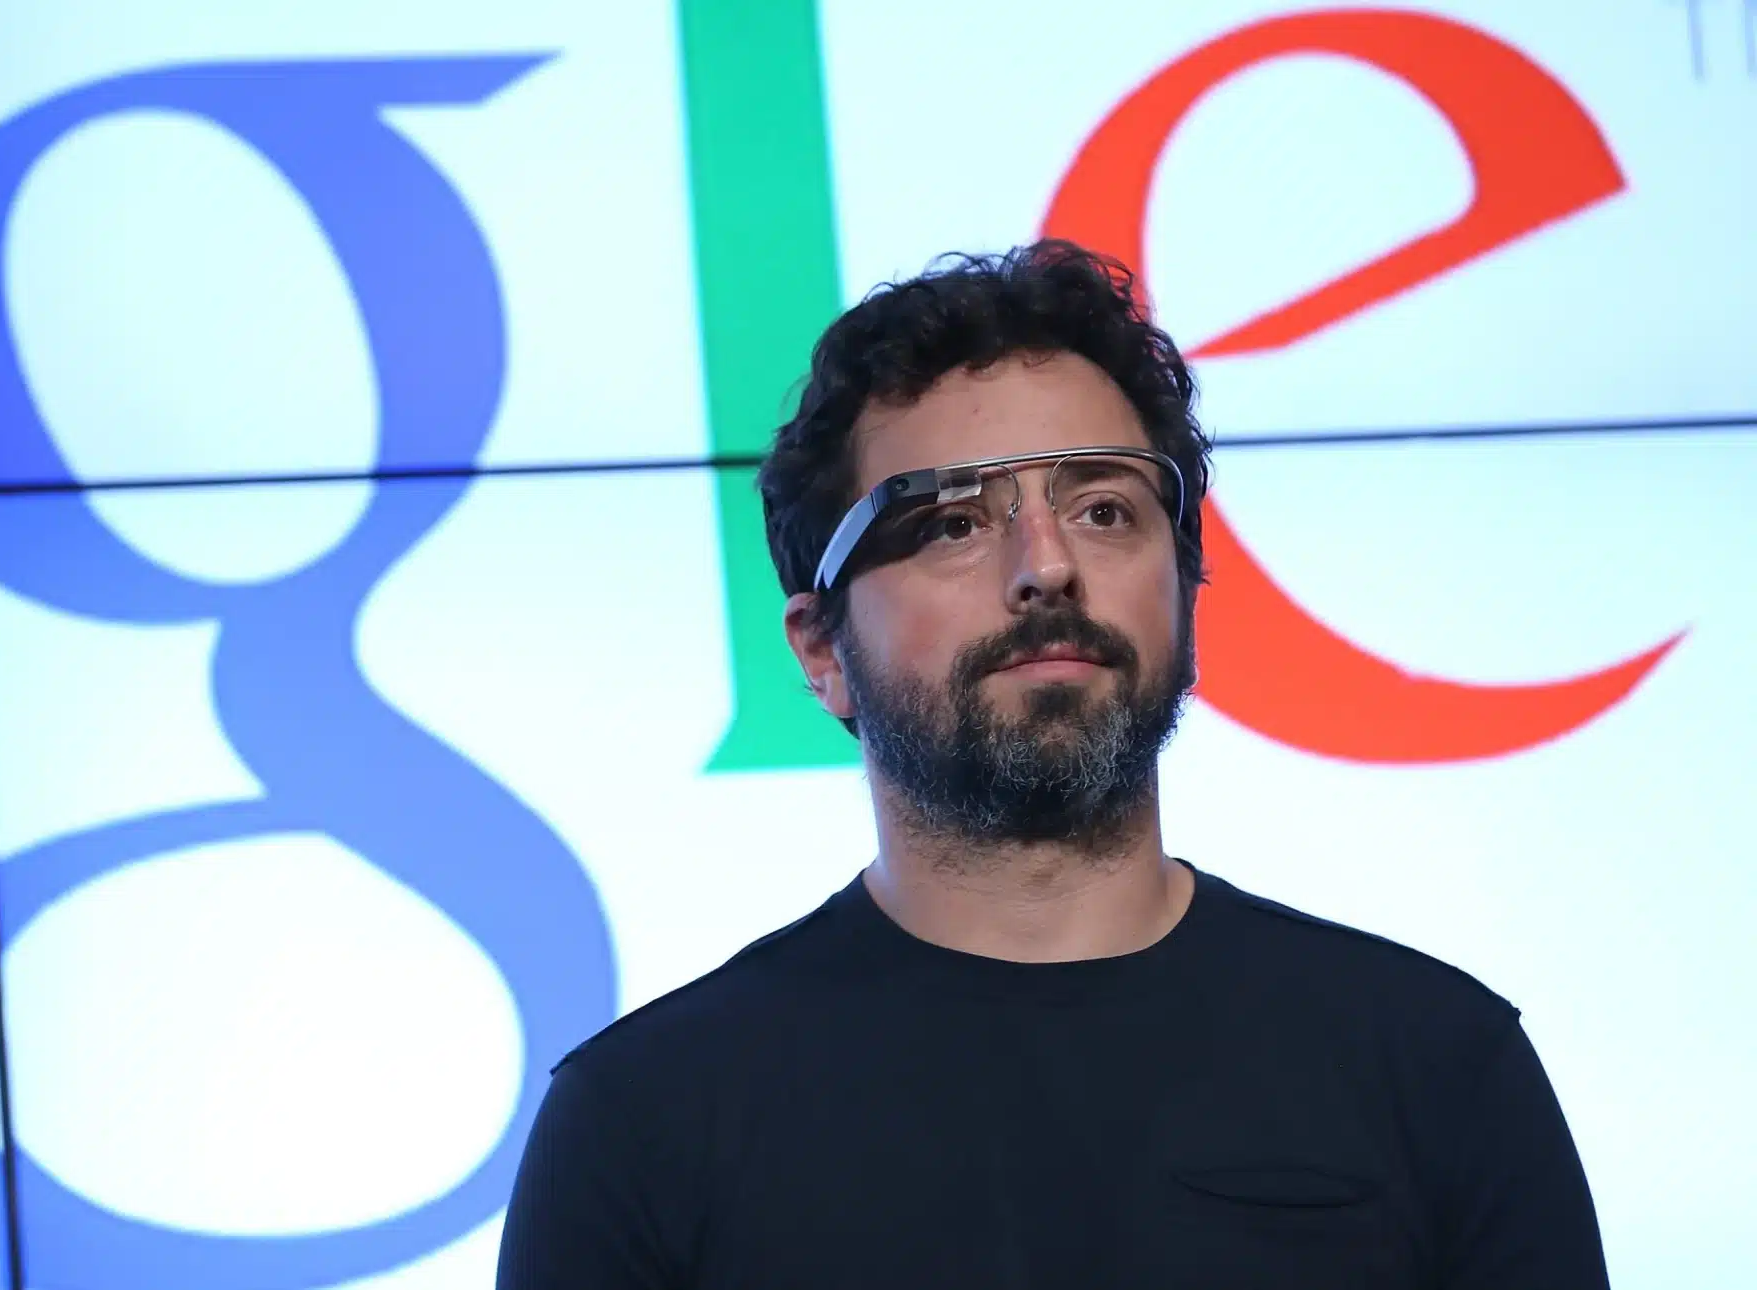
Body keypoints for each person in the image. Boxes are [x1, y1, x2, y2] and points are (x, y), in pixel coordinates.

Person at [495, 241, 1609, 1288]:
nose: (1047, 566)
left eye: (1105, 508)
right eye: (951, 525)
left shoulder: (1434, 1066)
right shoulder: (645, 1123)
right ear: (824, 652)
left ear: (1186, 595)